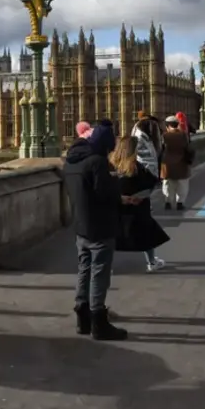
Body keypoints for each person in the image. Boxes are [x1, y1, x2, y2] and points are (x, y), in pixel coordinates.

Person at [62, 120, 127, 341]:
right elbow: (106, 194)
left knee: (84, 270)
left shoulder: (70, 162)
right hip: (100, 226)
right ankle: (99, 321)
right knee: (99, 273)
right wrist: (117, 181)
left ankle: (83, 318)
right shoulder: (97, 162)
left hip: (81, 226)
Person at [129, 121, 167, 271]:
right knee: (146, 229)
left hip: (126, 201)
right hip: (140, 198)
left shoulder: (118, 167)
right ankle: (151, 262)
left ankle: (107, 264)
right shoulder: (145, 143)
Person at [161, 115, 193, 210]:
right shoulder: (183, 135)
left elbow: (161, 149)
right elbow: (187, 147)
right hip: (181, 163)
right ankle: (180, 202)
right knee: (182, 184)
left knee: (168, 184)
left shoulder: (164, 136)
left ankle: (168, 202)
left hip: (167, 164)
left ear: (167, 126)